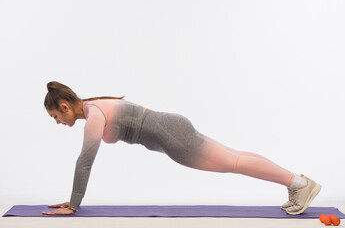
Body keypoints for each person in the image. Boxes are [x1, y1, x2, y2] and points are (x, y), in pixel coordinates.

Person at [42, 81, 321, 216]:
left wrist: (74, 204)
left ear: (64, 106)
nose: (58, 122)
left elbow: (85, 162)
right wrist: (74, 199)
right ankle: (296, 183)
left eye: (55, 116)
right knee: (236, 158)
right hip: (172, 128)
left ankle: (298, 183)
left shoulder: (94, 116)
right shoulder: (96, 106)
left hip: (172, 137)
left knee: (234, 163)